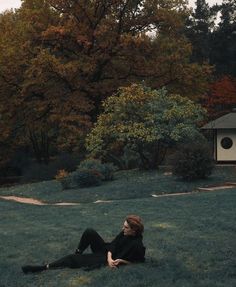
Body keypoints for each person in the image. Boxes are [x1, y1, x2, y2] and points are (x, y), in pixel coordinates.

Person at [22, 214, 145, 274]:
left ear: (134, 230)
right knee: (89, 231)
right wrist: (110, 257)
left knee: (72, 259)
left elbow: (139, 261)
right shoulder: (124, 233)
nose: (123, 229)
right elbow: (113, 245)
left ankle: (43, 268)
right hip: (107, 252)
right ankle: (79, 252)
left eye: (126, 227)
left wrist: (121, 261)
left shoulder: (137, 245)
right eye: (123, 226)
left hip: (104, 258)